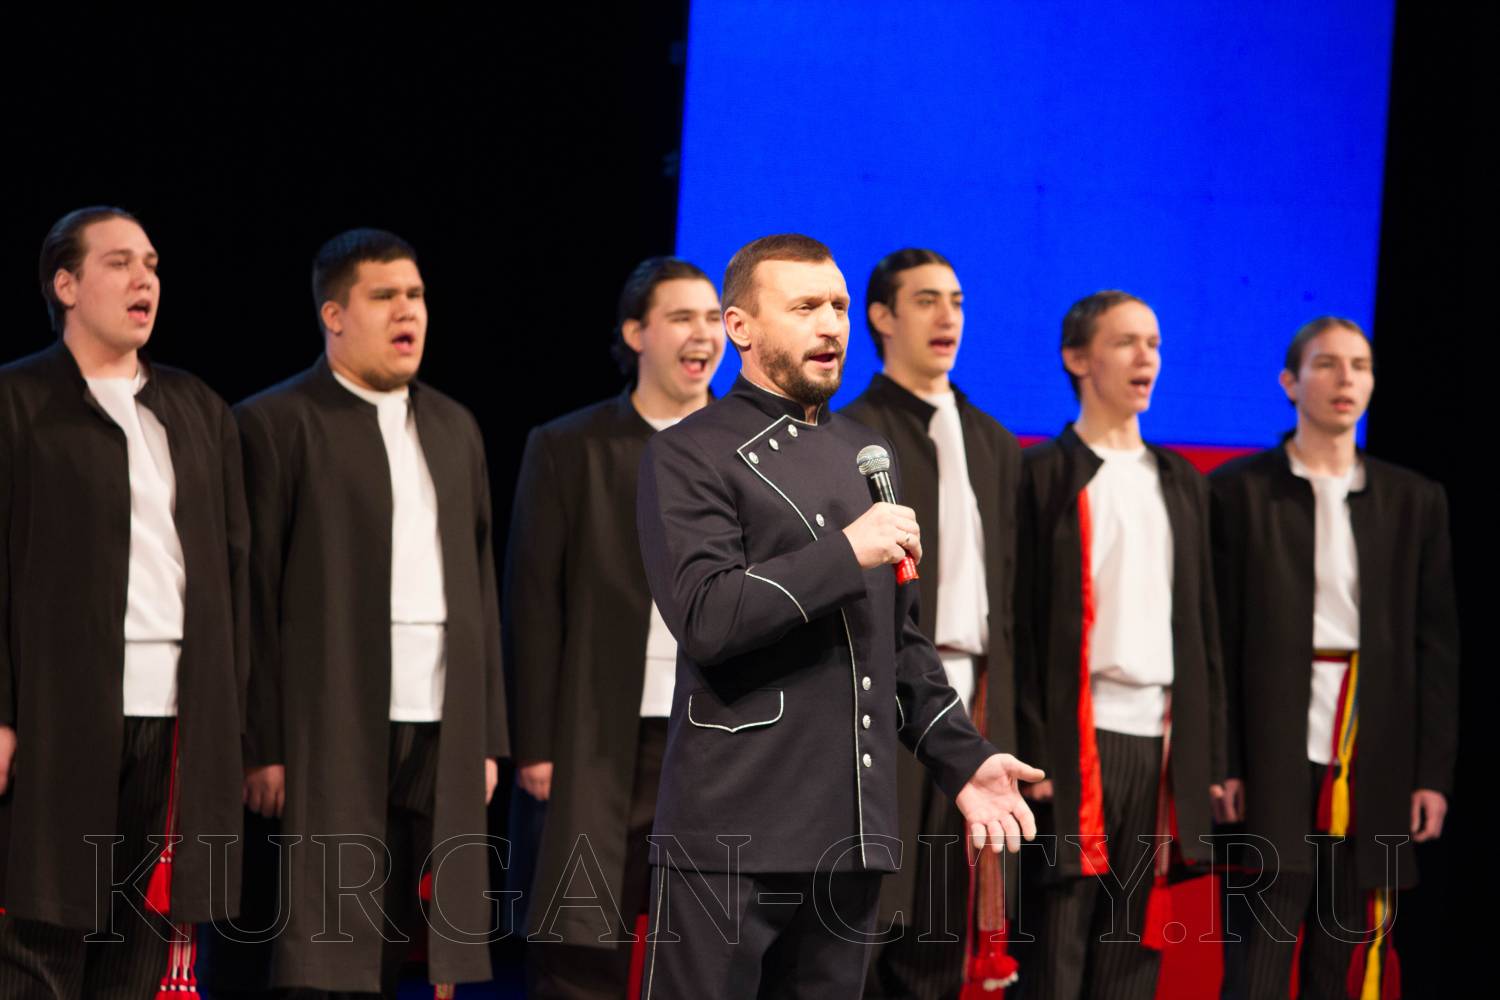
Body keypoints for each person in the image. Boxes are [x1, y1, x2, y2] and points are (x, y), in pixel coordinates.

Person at [634, 233, 1043, 999]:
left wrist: (963, 758)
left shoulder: (864, 450)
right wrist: (846, 552)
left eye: (839, 307)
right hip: (734, 830)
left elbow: (900, 646)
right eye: (805, 308)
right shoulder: (690, 453)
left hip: (851, 835)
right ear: (740, 327)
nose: (830, 325)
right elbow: (707, 615)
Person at [222, 228, 507, 996]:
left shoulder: (453, 426)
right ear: (334, 314)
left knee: (397, 935)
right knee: (311, 938)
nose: (407, 310)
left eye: (416, 295)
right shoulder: (274, 423)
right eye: (384, 296)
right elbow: (251, 598)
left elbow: (480, 588)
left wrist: (486, 736)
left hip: (437, 724)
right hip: (324, 726)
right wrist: (261, 743)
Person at [0, 206, 248, 998]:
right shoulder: (18, 401)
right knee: (40, 932)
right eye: (119, 263)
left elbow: (233, 572)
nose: (145, 279)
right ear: (65, 284)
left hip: (175, 716)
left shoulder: (197, 408)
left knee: (138, 944)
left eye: (152, 265)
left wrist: (234, 720)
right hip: (56, 714)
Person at [1210, 317, 1459, 999]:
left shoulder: (1413, 500)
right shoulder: (1238, 491)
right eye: (1326, 364)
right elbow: (1216, 640)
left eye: (1360, 365)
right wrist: (1223, 760)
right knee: (1258, 959)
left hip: (1373, 755)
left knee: (1341, 961)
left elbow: (1436, 646)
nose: (1345, 379)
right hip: (1271, 749)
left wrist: (1430, 773)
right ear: (1290, 382)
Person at [507, 256, 725, 998]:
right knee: (578, 943)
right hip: (597, 733)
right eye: (681, 318)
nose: (703, 335)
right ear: (636, 333)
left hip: (714, 733)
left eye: (713, 318)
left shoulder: (754, 451)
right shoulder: (570, 447)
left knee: (702, 942)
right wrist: (536, 744)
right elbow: (534, 603)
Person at [1014, 290, 1226, 1000]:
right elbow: (1021, 625)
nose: (1147, 358)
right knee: (1056, 942)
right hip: (1077, 738)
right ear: (1078, 359)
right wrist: (1032, 747)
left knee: (1133, 948)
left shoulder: (1179, 481)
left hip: (1158, 737)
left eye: (1154, 344)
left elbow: (1203, 627)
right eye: (1127, 342)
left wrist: (1208, 756)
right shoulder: (1044, 475)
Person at [841, 248, 1021, 999]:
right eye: (925, 300)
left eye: (956, 300)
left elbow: (1011, 596)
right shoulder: (850, 434)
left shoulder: (992, 440)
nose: (947, 316)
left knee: (940, 935)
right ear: (881, 317)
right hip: (883, 700)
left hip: (971, 702)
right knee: (866, 923)